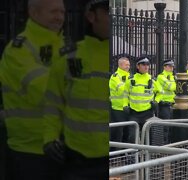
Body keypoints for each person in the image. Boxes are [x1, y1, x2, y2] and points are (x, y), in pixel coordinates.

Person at [42, 0, 110, 179]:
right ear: (91, 16)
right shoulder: (68, 57)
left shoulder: (122, 60)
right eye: (108, 12)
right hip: (76, 158)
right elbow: (53, 102)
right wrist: (50, 137)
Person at [0, 0, 65, 179]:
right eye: (53, 12)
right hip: (31, 151)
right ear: (34, 13)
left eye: (62, 12)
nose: (59, 17)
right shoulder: (19, 49)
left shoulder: (64, 46)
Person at [123, 56, 162, 144]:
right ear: (138, 66)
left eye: (147, 64)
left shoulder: (152, 80)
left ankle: (147, 156)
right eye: (143, 64)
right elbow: (125, 94)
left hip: (147, 113)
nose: (146, 67)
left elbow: (160, 92)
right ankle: (133, 157)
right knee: (132, 137)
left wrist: (156, 101)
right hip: (133, 113)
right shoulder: (131, 80)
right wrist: (125, 105)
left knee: (148, 137)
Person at [109, 55, 130, 150]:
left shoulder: (130, 76)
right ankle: (114, 156)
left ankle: (124, 154)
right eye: (126, 65)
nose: (128, 66)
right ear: (120, 65)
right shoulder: (115, 77)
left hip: (127, 108)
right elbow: (122, 89)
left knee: (127, 133)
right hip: (118, 109)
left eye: (129, 65)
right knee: (117, 133)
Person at [156, 59, 176, 145]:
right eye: (169, 66)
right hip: (164, 105)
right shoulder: (161, 76)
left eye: (172, 66)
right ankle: (164, 144)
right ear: (164, 67)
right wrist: (176, 84)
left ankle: (169, 143)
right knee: (165, 127)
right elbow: (171, 87)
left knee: (172, 126)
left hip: (172, 104)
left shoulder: (173, 76)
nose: (171, 68)